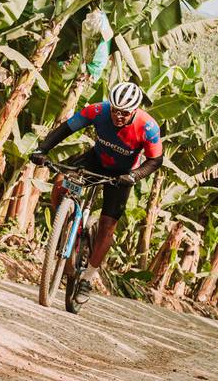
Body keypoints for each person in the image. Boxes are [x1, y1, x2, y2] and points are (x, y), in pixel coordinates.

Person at [30, 81, 164, 304]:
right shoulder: (98, 111)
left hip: (123, 174)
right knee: (61, 183)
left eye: (124, 113)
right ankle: (64, 227)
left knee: (107, 226)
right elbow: (66, 129)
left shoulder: (148, 127)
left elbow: (155, 160)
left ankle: (87, 279)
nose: (118, 116)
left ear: (134, 111)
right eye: (115, 110)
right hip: (95, 160)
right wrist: (42, 149)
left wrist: (134, 176)